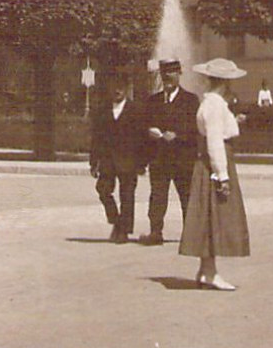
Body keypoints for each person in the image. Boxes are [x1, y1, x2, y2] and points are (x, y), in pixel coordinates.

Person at [180, 58, 251, 290]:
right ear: (225, 83)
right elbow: (215, 142)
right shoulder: (215, 104)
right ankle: (210, 272)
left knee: (209, 217)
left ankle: (206, 270)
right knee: (214, 216)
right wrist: (222, 176)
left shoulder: (213, 103)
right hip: (214, 166)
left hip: (211, 164)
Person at [139, 57, 199, 245]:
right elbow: (143, 127)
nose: (168, 77)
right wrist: (150, 132)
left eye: (172, 73)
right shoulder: (153, 101)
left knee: (187, 197)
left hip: (183, 159)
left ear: (179, 74)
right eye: (164, 73)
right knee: (157, 197)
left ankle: (190, 235)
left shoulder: (190, 100)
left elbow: (195, 129)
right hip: (159, 159)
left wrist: (178, 135)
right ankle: (155, 232)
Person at [89, 72, 145, 243]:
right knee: (103, 190)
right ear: (109, 89)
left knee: (127, 195)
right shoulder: (102, 110)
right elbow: (96, 137)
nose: (117, 91)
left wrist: (142, 163)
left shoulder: (135, 110)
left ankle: (123, 231)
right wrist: (93, 162)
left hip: (129, 160)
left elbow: (142, 138)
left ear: (127, 89)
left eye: (121, 88)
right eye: (114, 87)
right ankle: (116, 220)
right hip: (107, 160)